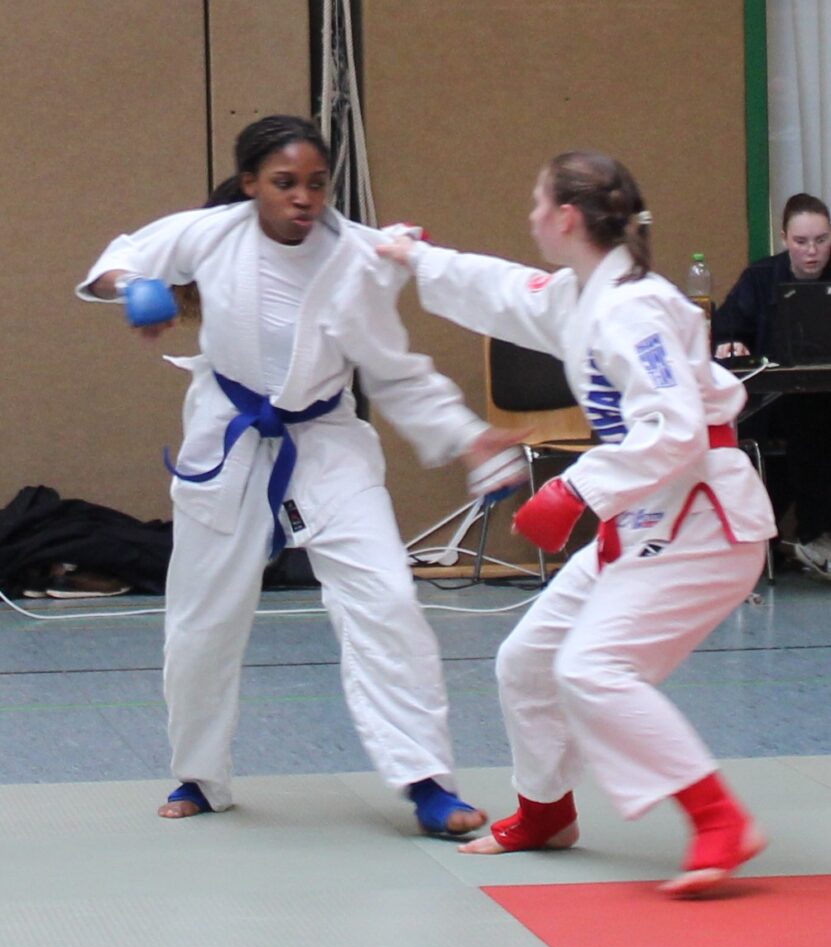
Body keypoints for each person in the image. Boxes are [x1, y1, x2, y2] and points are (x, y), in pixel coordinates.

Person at [76, 114, 528, 835]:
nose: (303, 198)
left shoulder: (357, 257)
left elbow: (394, 369)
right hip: (228, 432)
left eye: (317, 184)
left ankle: (426, 782)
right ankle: (198, 773)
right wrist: (132, 286)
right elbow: (119, 259)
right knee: (201, 617)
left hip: (326, 438)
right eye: (284, 183)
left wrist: (467, 437)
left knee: (387, 598)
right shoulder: (209, 234)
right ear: (250, 183)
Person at [377, 150, 776, 897]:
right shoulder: (582, 294)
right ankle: (545, 813)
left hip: (703, 524)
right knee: (526, 662)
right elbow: (502, 291)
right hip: (648, 515)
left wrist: (572, 490)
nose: (529, 217)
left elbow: (676, 426)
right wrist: (417, 257)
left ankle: (718, 817)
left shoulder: (635, 308)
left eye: (537, 204)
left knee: (591, 669)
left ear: (565, 218)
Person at [712, 192, 831, 580]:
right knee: (803, 423)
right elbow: (728, 326)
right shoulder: (761, 278)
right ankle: (810, 536)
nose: (812, 251)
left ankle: (812, 536)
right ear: (784, 239)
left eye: (821, 240)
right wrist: (730, 342)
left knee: (814, 420)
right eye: (801, 241)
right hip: (773, 404)